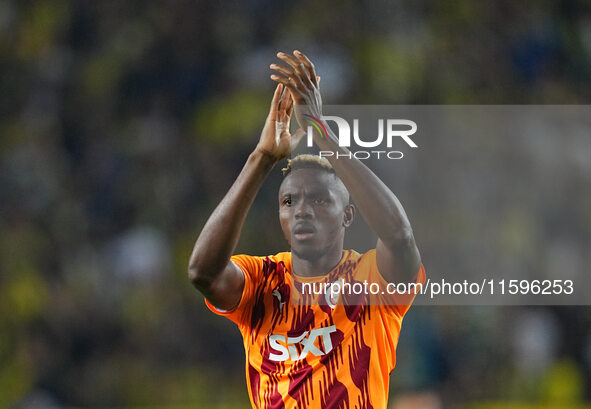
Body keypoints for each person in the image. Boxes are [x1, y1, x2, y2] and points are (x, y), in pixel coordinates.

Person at [188, 50, 425, 409]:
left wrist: (322, 133)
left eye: (318, 200)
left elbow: (400, 237)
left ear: (347, 215)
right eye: (289, 202)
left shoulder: (371, 279)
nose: (301, 210)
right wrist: (262, 158)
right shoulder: (261, 280)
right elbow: (202, 273)